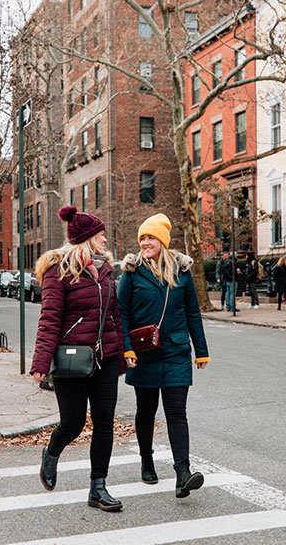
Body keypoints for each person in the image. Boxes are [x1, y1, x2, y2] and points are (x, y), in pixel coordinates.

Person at [31, 205, 126, 512]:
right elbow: (50, 319)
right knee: (72, 423)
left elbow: (115, 316)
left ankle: (98, 487)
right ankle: (52, 450)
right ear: (87, 238)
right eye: (101, 236)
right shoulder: (58, 272)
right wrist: (41, 364)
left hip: (105, 360)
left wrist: (122, 354)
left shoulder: (107, 271)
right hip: (71, 359)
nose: (105, 241)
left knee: (104, 423)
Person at [118, 213, 210, 499]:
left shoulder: (181, 272)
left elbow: (193, 312)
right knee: (146, 411)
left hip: (176, 350)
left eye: (151, 237)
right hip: (143, 352)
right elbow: (121, 313)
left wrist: (202, 350)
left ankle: (183, 471)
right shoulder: (132, 273)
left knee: (176, 412)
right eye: (142, 238)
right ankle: (147, 459)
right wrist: (126, 348)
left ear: (163, 241)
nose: (145, 242)